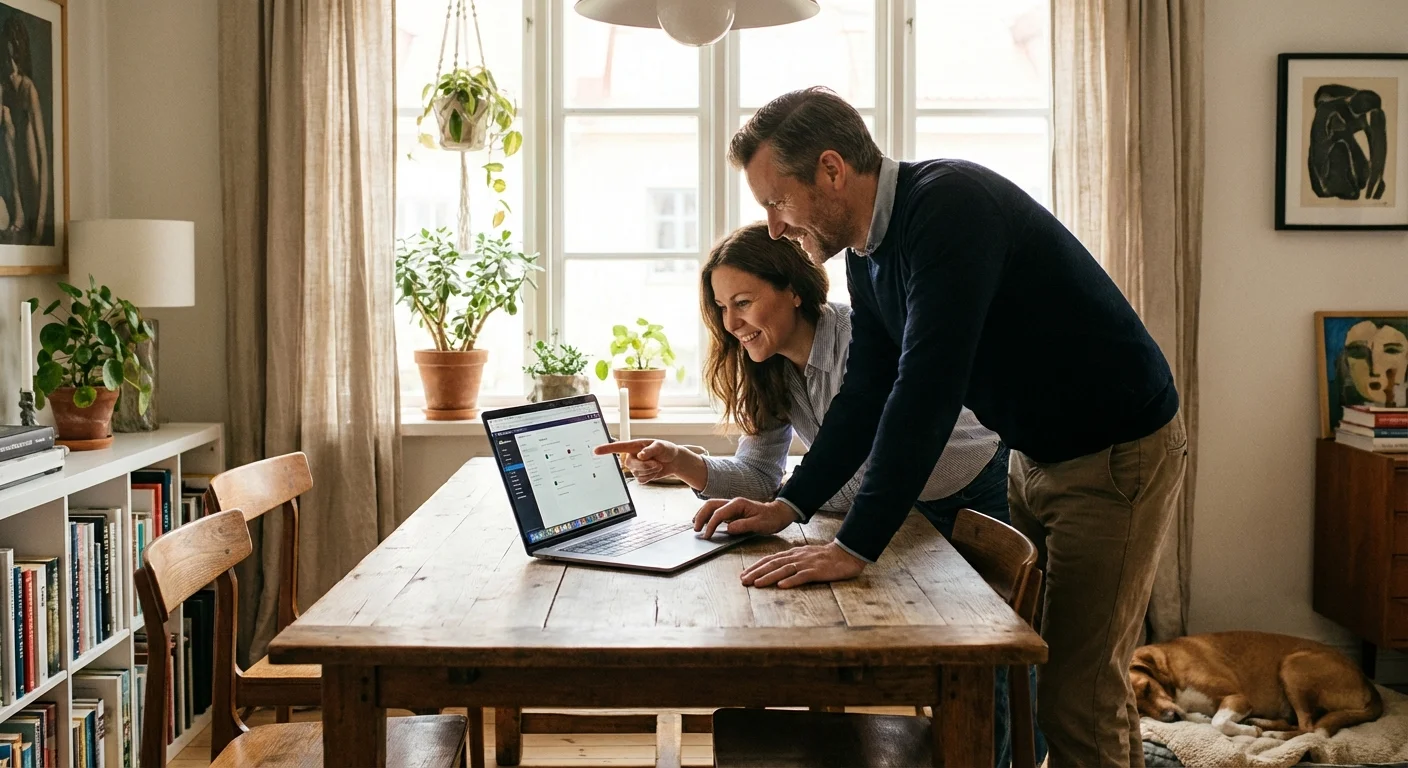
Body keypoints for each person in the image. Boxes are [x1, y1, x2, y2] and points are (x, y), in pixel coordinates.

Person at [689, 86, 1186, 768]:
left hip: (1115, 454)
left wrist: (856, 544)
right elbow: (867, 391)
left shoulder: (949, 209)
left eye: (777, 201)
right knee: (1052, 680)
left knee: (1075, 695)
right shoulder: (868, 252)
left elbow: (925, 389)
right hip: (1035, 453)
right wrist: (790, 503)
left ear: (832, 171)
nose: (774, 226)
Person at [596, 221, 1037, 768]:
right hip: (898, 514)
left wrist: (785, 505)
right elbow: (761, 472)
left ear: (794, 289)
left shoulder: (860, 338)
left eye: (743, 303)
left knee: (985, 659)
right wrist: (686, 463)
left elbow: (863, 475)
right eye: (721, 308)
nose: (732, 323)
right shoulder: (770, 367)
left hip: (968, 483)